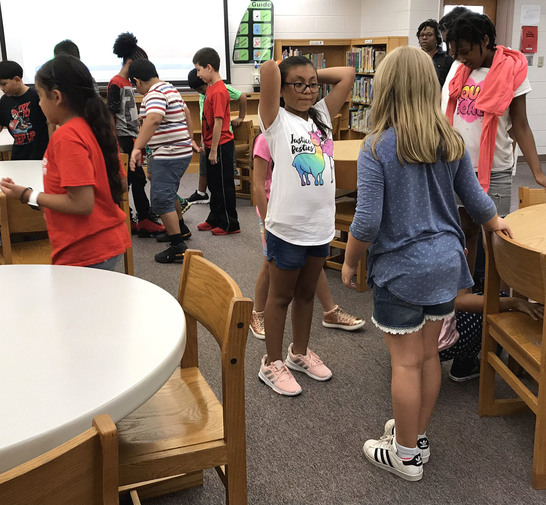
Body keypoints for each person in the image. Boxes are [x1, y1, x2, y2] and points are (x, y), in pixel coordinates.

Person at [341, 46, 511, 481]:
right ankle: (415, 436)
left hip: (401, 269)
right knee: (429, 357)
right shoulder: (450, 140)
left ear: (385, 90)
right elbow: (475, 200)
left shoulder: (376, 146)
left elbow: (366, 219)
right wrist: (497, 223)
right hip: (447, 264)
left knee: (405, 362)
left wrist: (349, 262)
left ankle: (404, 454)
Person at [257, 55, 355, 396]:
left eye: (312, 83)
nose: (307, 90)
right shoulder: (276, 120)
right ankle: (270, 362)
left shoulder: (322, 116)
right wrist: (283, 69)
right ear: (282, 89)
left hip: (319, 226)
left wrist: (310, 74)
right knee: (280, 296)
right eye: (297, 83)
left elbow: (347, 73)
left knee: (305, 295)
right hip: (286, 227)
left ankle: (298, 353)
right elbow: (268, 71)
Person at [0, 55, 130, 269]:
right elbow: (120, 184)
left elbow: (82, 204)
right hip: (102, 243)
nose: (39, 103)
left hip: (86, 248)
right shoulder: (95, 126)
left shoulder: (67, 136)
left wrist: (27, 194)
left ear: (57, 96)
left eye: (40, 97)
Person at [442, 13, 546, 276]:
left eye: (465, 51)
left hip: (496, 169)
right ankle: (467, 294)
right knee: (466, 232)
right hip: (459, 166)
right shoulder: (461, 69)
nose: (461, 58)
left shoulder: (512, 71)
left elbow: (520, 125)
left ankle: (496, 294)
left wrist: (537, 171)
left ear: (485, 40)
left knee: (496, 235)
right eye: (456, 53)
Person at [250, 132, 365, 339]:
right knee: (270, 263)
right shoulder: (265, 139)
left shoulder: (301, 135)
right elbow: (258, 184)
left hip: (300, 211)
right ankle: (257, 312)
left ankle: (330, 311)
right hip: (274, 214)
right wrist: (268, 222)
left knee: (312, 260)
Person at [128, 60, 198, 263]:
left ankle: (177, 246)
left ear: (137, 81)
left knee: (160, 199)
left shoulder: (154, 94)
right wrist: (190, 138)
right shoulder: (169, 88)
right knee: (163, 188)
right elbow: (185, 113)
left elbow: (155, 119)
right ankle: (180, 228)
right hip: (179, 151)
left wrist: (137, 147)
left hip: (170, 153)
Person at [107, 32, 165, 238]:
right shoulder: (116, 83)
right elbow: (111, 115)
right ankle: (133, 218)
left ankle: (141, 219)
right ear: (130, 63)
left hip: (132, 137)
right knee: (132, 180)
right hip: (123, 140)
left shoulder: (130, 84)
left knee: (138, 180)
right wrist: (116, 144)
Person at [439, 288, 543, 382]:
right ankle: (465, 363)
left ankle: (428, 368)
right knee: (498, 297)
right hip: (438, 346)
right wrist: (515, 302)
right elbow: (461, 301)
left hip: (425, 340)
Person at [193, 47, 240, 235]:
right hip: (212, 144)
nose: (198, 74)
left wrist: (213, 150)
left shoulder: (219, 91)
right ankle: (215, 217)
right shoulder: (211, 89)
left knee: (223, 185)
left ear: (209, 67)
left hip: (221, 146)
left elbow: (219, 122)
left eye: (199, 70)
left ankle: (230, 223)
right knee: (213, 184)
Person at [185, 68, 247, 206]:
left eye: (201, 88)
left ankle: (225, 206)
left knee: (223, 177)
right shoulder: (205, 92)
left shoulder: (219, 89)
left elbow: (242, 97)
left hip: (221, 138)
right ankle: (202, 194)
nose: (201, 92)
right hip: (207, 137)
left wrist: (241, 117)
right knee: (207, 170)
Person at [0, 60, 49, 160]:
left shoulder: (36, 96)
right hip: (19, 156)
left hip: (41, 155)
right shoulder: (4, 101)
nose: (2, 89)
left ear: (17, 79)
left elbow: (50, 123)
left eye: (4, 84)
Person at [416, 19, 453, 87]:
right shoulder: (414, 58)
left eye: (429, 35)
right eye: (422, 35)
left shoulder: (447, 59)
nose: (424, 38)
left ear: (437, 38)